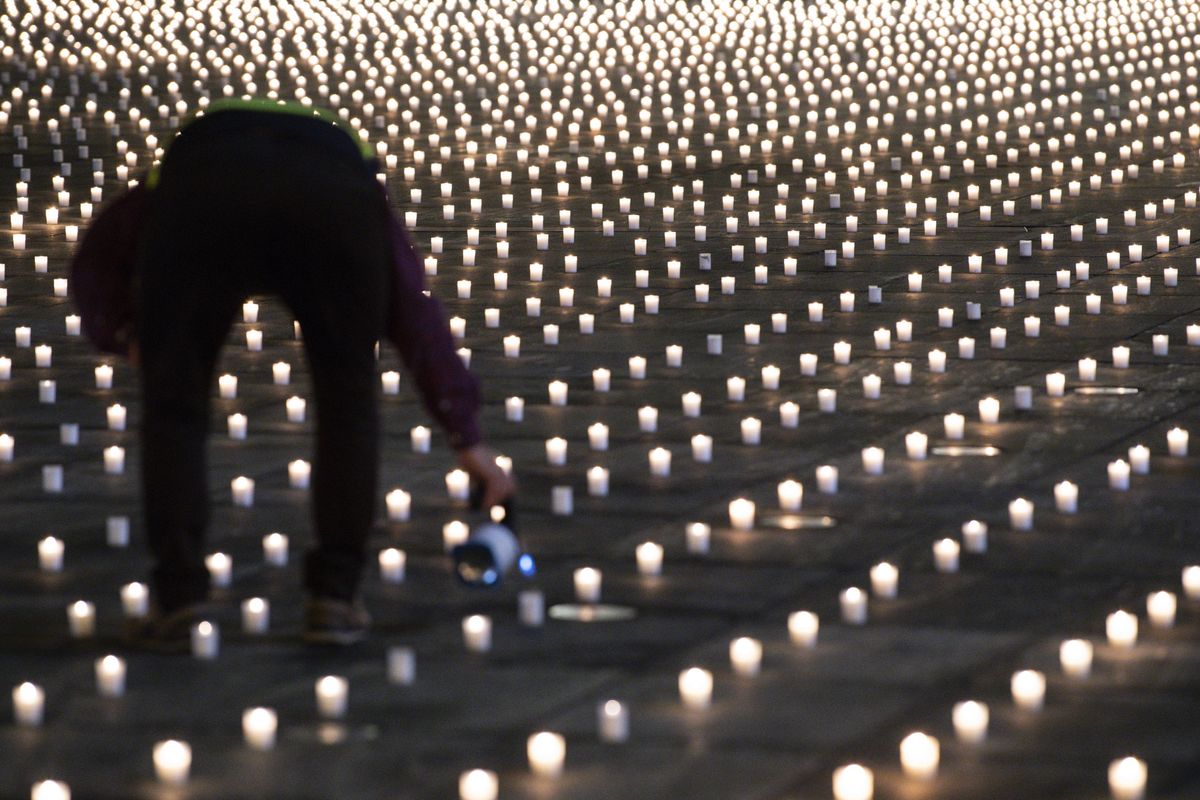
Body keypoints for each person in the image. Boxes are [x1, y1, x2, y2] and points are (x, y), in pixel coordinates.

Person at [71, 98, 514, 647]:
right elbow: (415, 311)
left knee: (174, 408)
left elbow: (94, 258)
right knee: (348, 404)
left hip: (204, 205)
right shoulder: (356, 178)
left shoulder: (177, 172)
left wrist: (126, 335)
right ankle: (334, 599)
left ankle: (180, 602)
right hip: (331, 211)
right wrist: (465, 435)